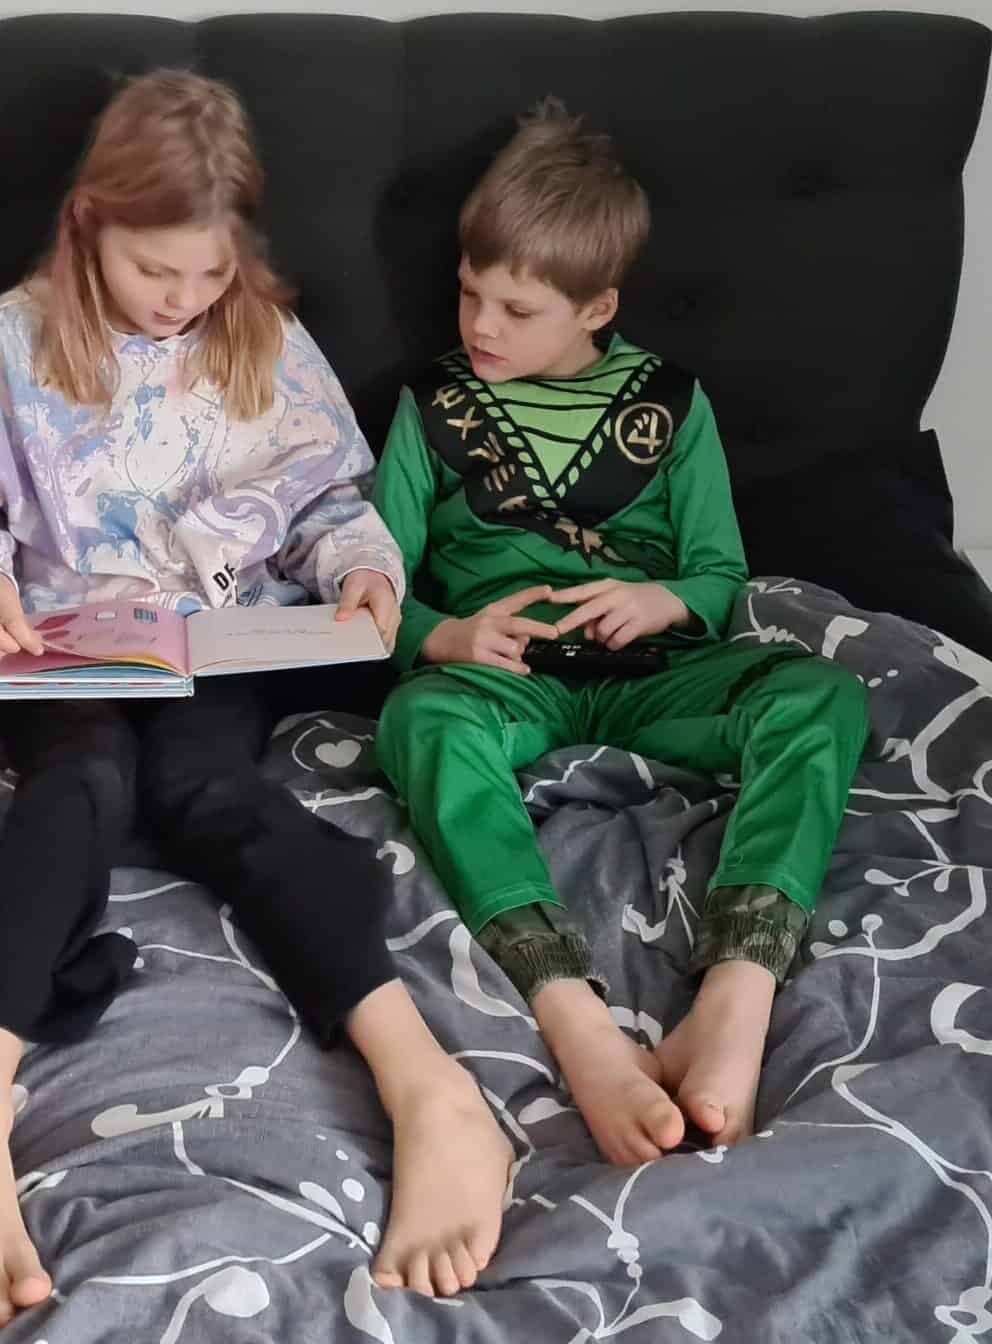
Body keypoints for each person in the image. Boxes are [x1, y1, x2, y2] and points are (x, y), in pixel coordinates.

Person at [0, 70, 512, 1323]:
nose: (181, 297)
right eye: (154, 269)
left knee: (207, 786)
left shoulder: (261, 337)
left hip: (218, 642)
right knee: (80, 784)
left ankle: (428, 1084)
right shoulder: (11, 340)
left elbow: (330, 502)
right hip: (63, 644)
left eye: (207, 272)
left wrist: (361, 569)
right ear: (88, 223)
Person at [371, 101, 869, 1173]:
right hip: (509, 679)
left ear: (596, 307)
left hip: (654, 675)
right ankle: (574, 1018)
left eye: (517, 308)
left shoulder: (672, 407)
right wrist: (444, 634)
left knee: (822, 693)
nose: (481, 326)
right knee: (419, 721)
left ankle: (736, 993)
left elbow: (720, 575)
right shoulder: (431, 406)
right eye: (468, 292)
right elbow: (371, 588)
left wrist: (664, 602)